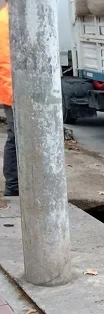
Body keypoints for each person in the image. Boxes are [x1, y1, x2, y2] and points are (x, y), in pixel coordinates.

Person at [0, 0, 16, 197]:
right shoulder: (9, 20)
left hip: (12, 90)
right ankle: (13, 189)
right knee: (16, 139)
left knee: (15, 138)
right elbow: (6, 63)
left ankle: (14, 188)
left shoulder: (6, 17)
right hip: (14, 91)